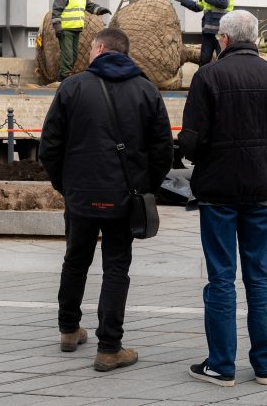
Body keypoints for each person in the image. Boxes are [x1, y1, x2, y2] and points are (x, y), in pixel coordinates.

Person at [179, 10, 267, 388]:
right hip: (259, 196)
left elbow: (192, 140)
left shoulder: (208, 77)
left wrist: (197, 158)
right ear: (256, 39)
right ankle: (264, 364)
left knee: (220, 278)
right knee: (259, 278)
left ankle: (221, 365)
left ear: (224, 40)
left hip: (217, 194)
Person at [40, 27, 173, 372]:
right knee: (116, 267)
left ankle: (69, 330)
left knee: (75, 260)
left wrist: (65, 186)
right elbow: (162, 151)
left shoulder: (73, 87)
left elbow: (49, 146)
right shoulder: (147, 90)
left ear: (99, 48)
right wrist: (146, 189)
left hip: (81, 196)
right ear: (125, 53)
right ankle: (109, 348)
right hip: (124, 196)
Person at [51, 0, 111, 81]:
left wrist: (100, 10)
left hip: (76, 29)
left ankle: (65, 77)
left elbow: (90, 6)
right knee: (67, 56)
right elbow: (56, 10)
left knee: (73, 56)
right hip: (65, 30)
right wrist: (57, 26)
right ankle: (64, 78)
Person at [173, 0, 235, 66]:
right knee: (204, 60)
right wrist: (182, 0)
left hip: (223, 34)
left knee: (222, 60)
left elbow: (223, 3)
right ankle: (203, 80)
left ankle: (221, 81)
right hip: (208, 34)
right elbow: (197, 7)